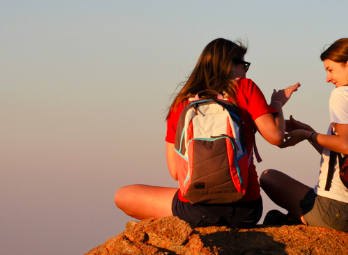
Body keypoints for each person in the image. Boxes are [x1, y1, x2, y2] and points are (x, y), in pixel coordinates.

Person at [115, 38, 300, 228]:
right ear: (229, 64)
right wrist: (277, 103)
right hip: (246, 210)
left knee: (123, 195)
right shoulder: (245, 87)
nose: (245, 71)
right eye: (244, 65)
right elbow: (275, 136)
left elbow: (175, 172)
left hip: (196, 211)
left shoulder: (182, 102)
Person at [260, 38, 348, 236]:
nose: (327, 78)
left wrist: (306, 134)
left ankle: (293, 222)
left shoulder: (343, 94)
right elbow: (347, 157)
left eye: (330, 70)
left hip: (336, 214)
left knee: (268, 177)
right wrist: (309, 133)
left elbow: (345, 144)